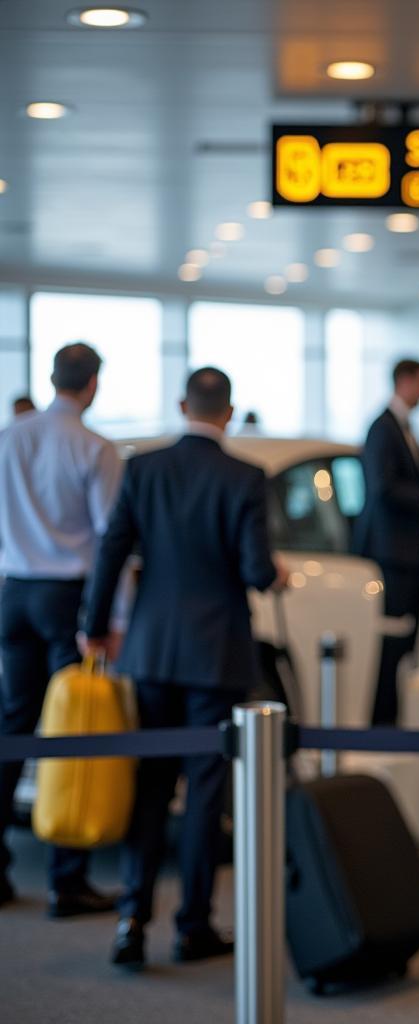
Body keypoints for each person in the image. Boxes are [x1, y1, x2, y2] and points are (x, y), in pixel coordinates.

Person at [82, 366, 288, 970]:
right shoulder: (244, 476)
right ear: (228, 412)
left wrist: (95, 627)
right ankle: (192, 926)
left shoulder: (143, 469)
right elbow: (255, 571)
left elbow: (112, 549)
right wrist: (276, 575)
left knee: (148, 789)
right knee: (204, 794)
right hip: (215, 654)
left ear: (182, 405)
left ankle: (130, 921)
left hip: (150, 651)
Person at [0, 343, 121, 916]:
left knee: (13, 726)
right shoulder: (94, 447)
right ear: (92, 384)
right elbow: (109, 539)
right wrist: (110, 620)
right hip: (67, 599)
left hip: (14, 592)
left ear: (52, 379)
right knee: (70, 732)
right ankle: (65, 881)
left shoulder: (11, 436)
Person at [353, 359, 419, 725]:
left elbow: (412, 472)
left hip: (407, 552)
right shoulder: (382, 428)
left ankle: (395, 716)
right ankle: (382, 722)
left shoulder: (403, 427)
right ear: (406, 382)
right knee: (391, 643)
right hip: (390, 554)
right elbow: (384, 489)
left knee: (407, 642)